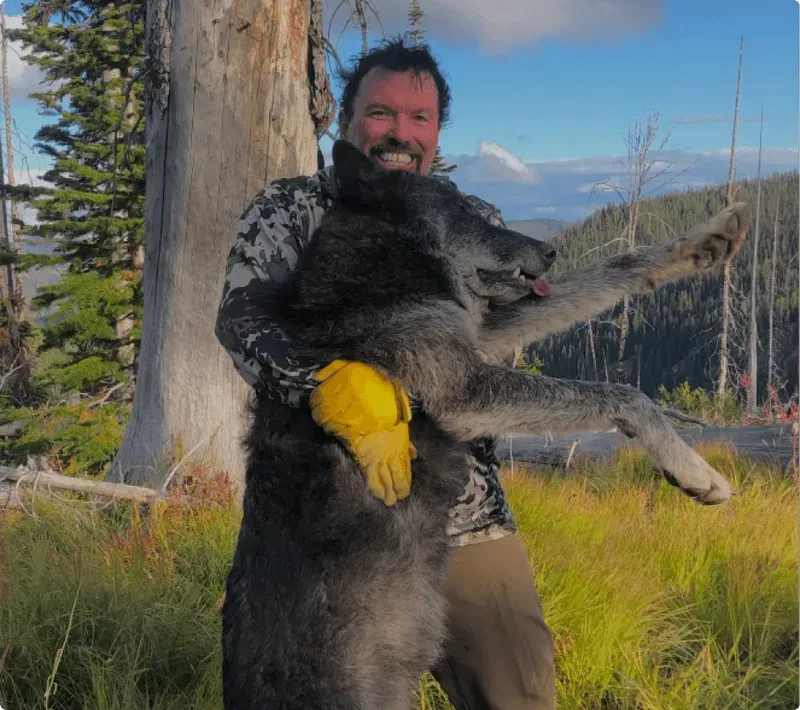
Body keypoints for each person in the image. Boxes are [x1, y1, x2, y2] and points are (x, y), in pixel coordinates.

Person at [215, 36, 556, 710]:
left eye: (418, 118)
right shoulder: (290, 209)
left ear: (436, 133)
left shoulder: (473, 222)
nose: (400, 133)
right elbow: (242, 321)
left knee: (518, 689)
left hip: (462, 512)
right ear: (346, 120)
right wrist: (329, 384)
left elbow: (504, 347)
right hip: (321, 527)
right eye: (380, 113)